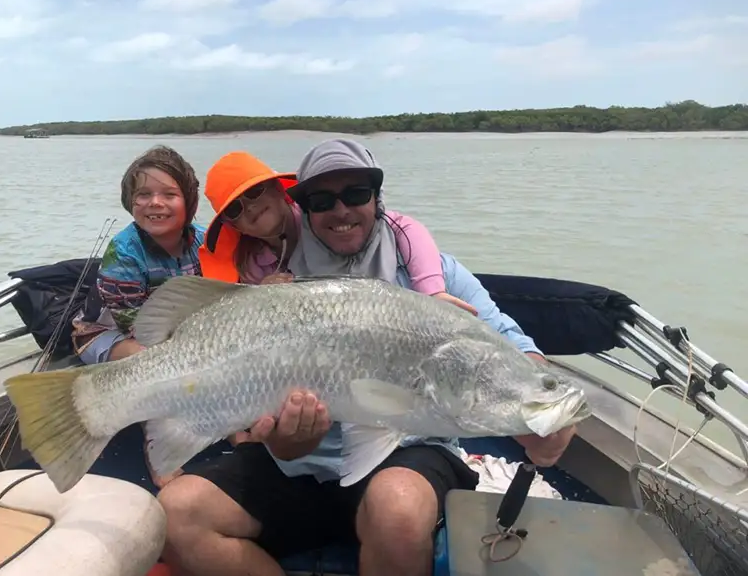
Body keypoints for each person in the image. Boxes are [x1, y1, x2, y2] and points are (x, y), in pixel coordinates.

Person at [158, 139, 575, 576]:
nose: (340, 211)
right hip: (299, 463)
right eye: (321, 201)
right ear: (304, 210)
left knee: (397, 505)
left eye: (356, 194)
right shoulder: (273, 283)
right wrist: (283, 440)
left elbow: (515, 347)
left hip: (411, 451)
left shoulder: (435, 273)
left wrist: (549, 411)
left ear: (377, 199)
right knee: (177, 512)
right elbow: (254, 408)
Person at [196, 149, 477, 314]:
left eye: (254, 192)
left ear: (278, 189)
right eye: (235, 209)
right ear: (231, 225)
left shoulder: (321, 215)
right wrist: (259, 297)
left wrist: (433, 292)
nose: (251, 207)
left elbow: (401, 226)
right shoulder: (250, 264)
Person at [70, 144, 205, 486]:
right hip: (108, 334)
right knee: (151, 361)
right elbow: (136, 326)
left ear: (189, 201)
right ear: (130, 201)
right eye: (143, 194)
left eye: (169, 194)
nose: (155, 203)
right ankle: (156, 446)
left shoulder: (203, 241)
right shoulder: (123, 251)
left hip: (180, 331)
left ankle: (232, 430)